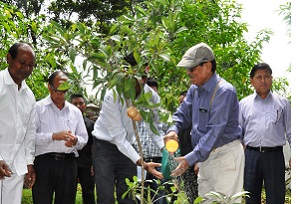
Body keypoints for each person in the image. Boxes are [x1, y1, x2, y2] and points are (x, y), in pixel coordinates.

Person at [164, 42, 244, 203]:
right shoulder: (194, 90)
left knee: (224, 201)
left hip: (225, 155)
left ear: (207, 66)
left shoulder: (224, 91)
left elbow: (215, 131)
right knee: (205, 200)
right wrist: (173, 130)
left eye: (192, 68)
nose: (188, 72)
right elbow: (182, 114)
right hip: (205, 157)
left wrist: (190, 158)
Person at [92, 53, 163, 204]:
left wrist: (166, 151)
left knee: (129, 194)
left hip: (128, 146)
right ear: (125, 74)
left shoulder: (151, 96)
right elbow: (118, 137)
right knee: (106, 195)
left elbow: (154, 128)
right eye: (137, 77)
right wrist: (142, 163)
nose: (142, 81)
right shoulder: (113, 95)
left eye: (144, 76)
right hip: (105, 146)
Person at [32, 71, 88, 204]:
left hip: (68, 164)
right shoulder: (38, 108)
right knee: (41, 200)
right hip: (44, 163)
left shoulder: (75, 112)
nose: (61, 94)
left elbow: (83, 138)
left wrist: (75, 141)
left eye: (64, 90)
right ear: (49, 87)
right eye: (57, 90)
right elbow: (30, 137)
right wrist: (53, 136)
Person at [238, 63, 291, 204]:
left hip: (274, 156)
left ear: (271, 78)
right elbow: (238, 133)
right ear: (251, 80)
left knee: (276, 197)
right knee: (251, 196)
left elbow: (291, 131)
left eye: (266, 76)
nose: (263, 80)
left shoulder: (282, 103)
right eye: (259, 77)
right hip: (251, 156)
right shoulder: (244, 104)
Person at [0, 42, 36, 203]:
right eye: (22, 62)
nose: (26, 69)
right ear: (9, 58)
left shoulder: (29, 96)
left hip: (16, 165)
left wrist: (29, 162)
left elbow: (30, 132)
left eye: (30, 65)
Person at [71, 94, 96, 204]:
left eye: (80, 103)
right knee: (67, 192)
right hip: (69, 163)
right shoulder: (65, 123)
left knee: (88, 192)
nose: (78, 106)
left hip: (86, 163)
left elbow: (95, 145)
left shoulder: (91, 125)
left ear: (85, 106)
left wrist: (94, 163)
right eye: (74, 103)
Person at [177, 90, 198, 204]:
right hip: (185, 163)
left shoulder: (198, 121)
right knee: (191, 196)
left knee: (202, 194)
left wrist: (198, 161)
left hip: (197, 162)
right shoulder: (180, 122)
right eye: (180, 103)